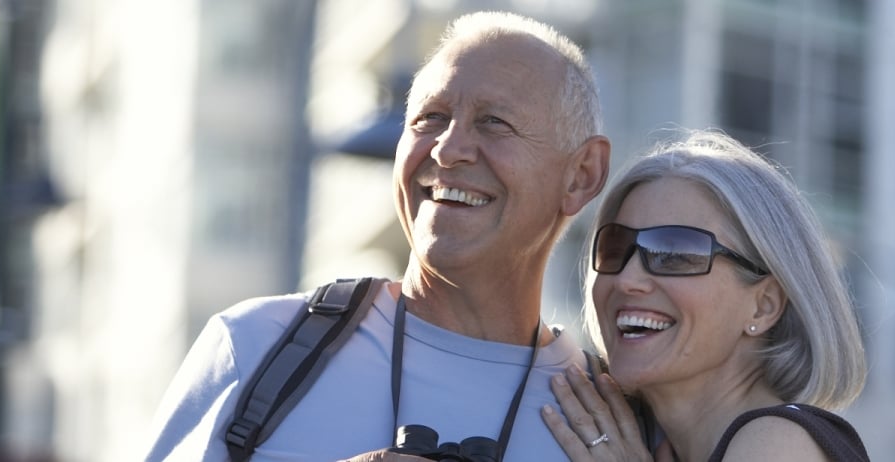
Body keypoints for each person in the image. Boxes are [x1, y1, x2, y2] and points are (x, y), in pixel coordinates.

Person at [144, 11, 611, 461]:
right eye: (430, 118)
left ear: (581, 176)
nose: (447, 150)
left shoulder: (619, 421)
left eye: (494, 122)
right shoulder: (256, 347)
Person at [538, 130, 870, 462]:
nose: (626, 279)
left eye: (674, 253)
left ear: (763, 306)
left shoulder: (778, 443)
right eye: (615, 249)